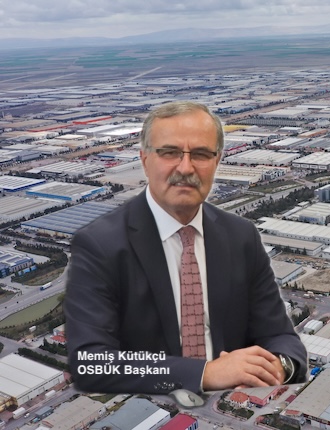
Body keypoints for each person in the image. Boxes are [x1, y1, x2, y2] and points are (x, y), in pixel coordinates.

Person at [65, 101, 307, 394]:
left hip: (232, 404)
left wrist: (280, 366)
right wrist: (205, 374)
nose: (185, 168)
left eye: (201, 154)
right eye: (170, 152)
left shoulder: (241, 236)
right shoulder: (100, 245)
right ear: (144, 159)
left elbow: (281, 336)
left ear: (217, 161)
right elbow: (92, 364)